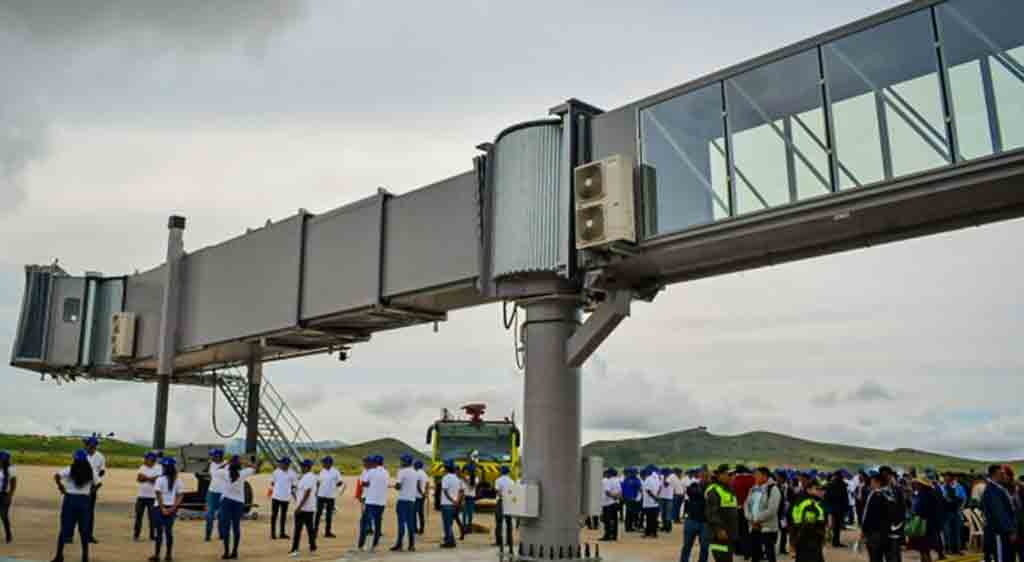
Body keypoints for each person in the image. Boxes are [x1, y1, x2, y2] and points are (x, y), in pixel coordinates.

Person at [51, 449, 94, 562]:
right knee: (84, 530)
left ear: (74, 459)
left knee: (64, 528)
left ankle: (59, 556)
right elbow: (98, 483)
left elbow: (56, 475)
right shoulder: (90, 471)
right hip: (84, 501)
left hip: (70, 500)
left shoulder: (70, 469)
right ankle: (85, 557)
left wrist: (60, 486)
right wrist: (90, 491)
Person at [216, 455, 261, 560]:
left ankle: (226, 552)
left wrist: (226, 463)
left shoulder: (224, 473)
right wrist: (246, 463)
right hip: (238, 502)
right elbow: (255, 468)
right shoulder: (242, 473)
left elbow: (217, 470)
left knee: (226, 527)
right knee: (236, 528)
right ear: (239, 466)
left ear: (230, 465)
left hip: (226, 501)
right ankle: (235, 552)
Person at [745, 467, 781, 562]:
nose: (754, 477)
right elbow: (746, 505)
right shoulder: (753, 489)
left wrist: (757, 519)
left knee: (769, 555)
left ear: (765, 476)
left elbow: (772, 510)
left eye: (757, 475)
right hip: (753, 527)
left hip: (767, 528)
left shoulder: (773, 489)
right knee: (755, 554)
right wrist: (750, 518)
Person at [151, 457, 184, 562]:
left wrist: (162, 508)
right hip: (171, 508)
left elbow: (158, 495)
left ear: (165, 467)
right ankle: (168, 555)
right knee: (169, 532)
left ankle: (156, 555)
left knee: (159, 532)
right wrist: (173, 508)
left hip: (159, 507)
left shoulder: (160, 479)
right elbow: (180, 495)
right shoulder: (178, 480)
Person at [981, 465, 1015, 562]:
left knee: (1006, 556)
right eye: (1002, 473)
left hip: (1001, 530)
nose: (1004, 476)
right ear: (995, 474)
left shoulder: (997, 488)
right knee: (1001, 557)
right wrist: (1010, 530)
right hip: (999, 532)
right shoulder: (992, 490)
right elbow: (1000, 513)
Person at [706, 465, 740, 562]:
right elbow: (711, 513)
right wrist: (719, 529)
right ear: (720, 475)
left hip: (730, 535)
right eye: (729, 474)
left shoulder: (730, 490)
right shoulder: (714, 491)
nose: (732, 477)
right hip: (720, 536)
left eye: (733, 474)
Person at [909, 477, 944, 562]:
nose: (916, 485)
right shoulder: (933, 493)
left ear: (922, 485)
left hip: (923, 525)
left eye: (917, 483)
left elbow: (919, 510)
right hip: (931, 525)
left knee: (924, 550)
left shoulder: (923, 495)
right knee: (926, 550)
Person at [358, 454, 388, 552]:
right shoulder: (386, 472)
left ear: (375, 462)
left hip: (371, 501)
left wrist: (370, 484)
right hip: (381, 502)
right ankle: (374, 545)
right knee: (378, 523)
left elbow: (363, 483)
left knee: (364, 523)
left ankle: (361, 545)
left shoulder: (371, 471)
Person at [791, 481, 826, 562]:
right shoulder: (809, 504)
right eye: (817, 489)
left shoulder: (801, 500)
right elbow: (813, 523)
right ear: (808, 490)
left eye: (820, 489)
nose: (820, 491)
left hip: (802, 539)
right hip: (809, 540)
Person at [289, 459, 317, 558]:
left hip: (307, 508)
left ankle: (312, 547)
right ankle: (295, 548)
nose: (301, 467)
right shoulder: (303, 477)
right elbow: (300, 492)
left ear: (308, 467)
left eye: (303, 466)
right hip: (301, 507)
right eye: (301, 466)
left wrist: (299, 507)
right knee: (298, 529)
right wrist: (295, 495)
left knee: (308, 529)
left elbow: (307, 493)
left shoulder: (310, 477)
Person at [682, 467, 710, 562]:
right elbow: (690, 492)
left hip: (705, 522)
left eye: (707, 475)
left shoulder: (712, 488)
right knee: (687, 546)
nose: (704, 477)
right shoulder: (694, 485)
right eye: (703, 475)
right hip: (692, 520)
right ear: (700, 476)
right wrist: (703, 493)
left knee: (704, 547)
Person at [392, 454, 418, 552]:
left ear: (404, 461)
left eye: (402, 460)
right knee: (410, 523)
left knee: (401, 523)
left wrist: (396, 486)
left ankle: (399, 544)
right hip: (412, 501)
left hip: (402, 500)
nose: (400, 462)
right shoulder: (415, 472)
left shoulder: (401, 472)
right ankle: (411, 545)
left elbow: (398, 486)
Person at [861, 472, 891, 562]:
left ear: (878, 482)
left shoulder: (876, 495)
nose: (870, 483)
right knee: (878, 556)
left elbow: (870, 515)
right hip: (883, 531)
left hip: (874, 532)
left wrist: (864, 530)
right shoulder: (887, 494)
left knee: (875, 556)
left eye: (872, 481)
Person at [134, 452, 162, 542]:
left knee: (152, 517)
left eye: (147, 458)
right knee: (138, 516)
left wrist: (145, 478)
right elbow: (139, 479)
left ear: (152, 459)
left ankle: (152, 535)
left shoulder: (159, 467)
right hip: (141, 496)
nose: (145, 460)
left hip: (153, 497)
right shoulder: (142, 467)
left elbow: (157, 480)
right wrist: (151, 478)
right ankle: (136, 534)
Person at [83, 435, 105, 544]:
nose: (88, 447)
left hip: (92, 487)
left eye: (91, 445)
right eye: (87, 445)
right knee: (77, 511)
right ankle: (70, 534)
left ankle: (89, 535)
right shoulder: (82, 455)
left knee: (90, 512)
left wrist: (96, 480)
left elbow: (102, 471)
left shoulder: (100, 457)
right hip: (80, 485)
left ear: (95, 446)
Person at [314, 456, 343, 538]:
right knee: (318, 514)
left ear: (329, 463)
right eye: (322, 462)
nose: (322, 464)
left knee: (329, 515)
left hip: (330, 496)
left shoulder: (335, 472)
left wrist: (334, 486)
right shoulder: (322, 471)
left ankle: (327, 532)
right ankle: (315, 531)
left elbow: (340, 482)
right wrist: (316, 491)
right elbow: (318, 482)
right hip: (321, 495)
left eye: (324, 462)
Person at [940, 472, 966, 556]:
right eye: (945, 477)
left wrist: (960, 507)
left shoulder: (959, 487)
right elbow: (941, 499)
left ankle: (957, 549)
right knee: (947, 532)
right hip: (945, 512)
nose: (946, 479)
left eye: (948, 478)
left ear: (952, 478)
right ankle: (948, 549)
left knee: (956, 531)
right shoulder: (941, 488)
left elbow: (963, 498)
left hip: (956, 511)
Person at [270, 457, 296, 540]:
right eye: (280, 463)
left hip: (286, 498)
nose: (280, 464)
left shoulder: (292, 473)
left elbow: (294, 485)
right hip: (276, 497)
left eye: (282, 463)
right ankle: (273, 533)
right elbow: (272, 483)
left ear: (287, 464)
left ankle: (282, 533)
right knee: (274, 515)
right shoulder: (276, 472)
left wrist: (292, 493)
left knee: (283, 516)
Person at [439, 460, 464, 549]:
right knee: (449, 524)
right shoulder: (457, 478)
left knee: (447, 524)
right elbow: (461, 491)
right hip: (454, 505)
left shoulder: (446, 478)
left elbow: (445, 491)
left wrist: (452, 500)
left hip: (447, 504)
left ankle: (450, 542)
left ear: (446, 468)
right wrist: (457, 500)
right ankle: (450, 540)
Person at [205, 449, 226, 542]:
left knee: (222, 515)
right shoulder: (212, 464)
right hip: (212, 492)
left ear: (218, 456)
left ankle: (221, 534)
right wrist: (226, 464)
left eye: (213, 455)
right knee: (210, 515)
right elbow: (216, 471)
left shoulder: (227, 464)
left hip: (223, 493)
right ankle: (208, 535)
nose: (211, 457)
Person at [825, 471, 849, 548]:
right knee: (837, 526)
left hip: (831, 508)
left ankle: (829, 538)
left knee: (830, 524)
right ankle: (836, 541)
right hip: (839, 509)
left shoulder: (829, 484)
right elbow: (845, 498)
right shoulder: (843, 485)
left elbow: (826, 497)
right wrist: (846, 508)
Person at [494, 465, 515, 548]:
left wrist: (503, 496)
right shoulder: (512, 481)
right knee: (509, 523)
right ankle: (509, 541)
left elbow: (497, 492)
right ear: (508, 472)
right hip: (509, 502)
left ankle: (499, 541)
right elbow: (513, 493)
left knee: (499, 522)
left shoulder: (498, 480)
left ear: (501, 471)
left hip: (500, 502)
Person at [601, 468, 622, 541]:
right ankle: (614, 536)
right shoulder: (617, 481)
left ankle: (607, 536)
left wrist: (613, 497)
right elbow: (620, 492)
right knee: (614, 520)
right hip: (615, 503)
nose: (605, 474)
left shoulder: (608, 481)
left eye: (607, 473)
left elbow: (607, 492)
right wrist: (617, 498)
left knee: (607, 521)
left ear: (610, 474)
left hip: (607, 503)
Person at [0, 450, 17, 544]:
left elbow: (13, 483)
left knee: (3, 515)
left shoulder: (11, 469)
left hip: (4, 495)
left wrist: (10, 495)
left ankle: (8, 534)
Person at [642, 466, 662, 538]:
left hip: (648, 502)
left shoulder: (648, 479)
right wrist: (657, 496)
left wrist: (654, 497)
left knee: (648, 518)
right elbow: (660, 487)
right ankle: (654, 533)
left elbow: (648, 490)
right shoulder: (657, 478)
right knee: (654, 518)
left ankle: (648, 532)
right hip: (655, 503)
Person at [622, 467, 642, 533]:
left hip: (627, 499)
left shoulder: (626, 480)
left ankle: (628, 527)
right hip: (633, 499)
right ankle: (631, 527)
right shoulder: (636, 480)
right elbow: (640, 489)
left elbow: (623, 489)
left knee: (629, 513)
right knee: (633, 513)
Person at [414, 460, 430, 535]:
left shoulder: (417, 473)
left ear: (417, 466)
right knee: (421, 513)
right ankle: (422, 529)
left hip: (417, 496)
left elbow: (417, 485)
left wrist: (422, 493)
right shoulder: (424, 474)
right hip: (422, 496)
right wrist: (426, 493)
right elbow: (427, 484)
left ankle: (415, 529)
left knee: (414, 513)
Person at [462, 463, 478, 533]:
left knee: (467, 513)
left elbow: (472, 486)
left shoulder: (475, 478)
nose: (465, 471)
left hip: (469, 497)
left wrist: (465, 479)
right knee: (467, 513)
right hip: (467, 497)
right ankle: (466, 527)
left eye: (466, 470)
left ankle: (468, 528)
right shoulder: (475, 478)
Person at [661, 468, 677, 533]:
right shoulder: (662, 477)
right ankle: (664, 526)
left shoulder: (671, 477)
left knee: (668, 513)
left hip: (669, 498)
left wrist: (664, 477)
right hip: (662, 497)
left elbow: (666, 484)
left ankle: (668, 527)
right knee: (663, 513)